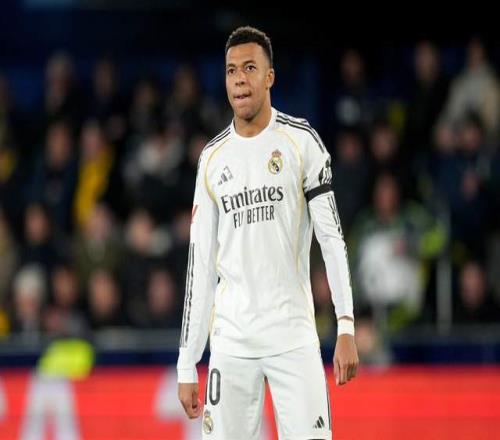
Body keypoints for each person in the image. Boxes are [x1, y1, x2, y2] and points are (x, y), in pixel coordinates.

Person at [177, 26, 358, 440]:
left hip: (292, 336)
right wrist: (188, 362)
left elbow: (332, 239)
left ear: (270, 76)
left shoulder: (301, 142)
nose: (239, 79)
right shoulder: (212, 159)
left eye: (249, 68)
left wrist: (346, 324)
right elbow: (200, 266)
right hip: (232, 342)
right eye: (231, 71)